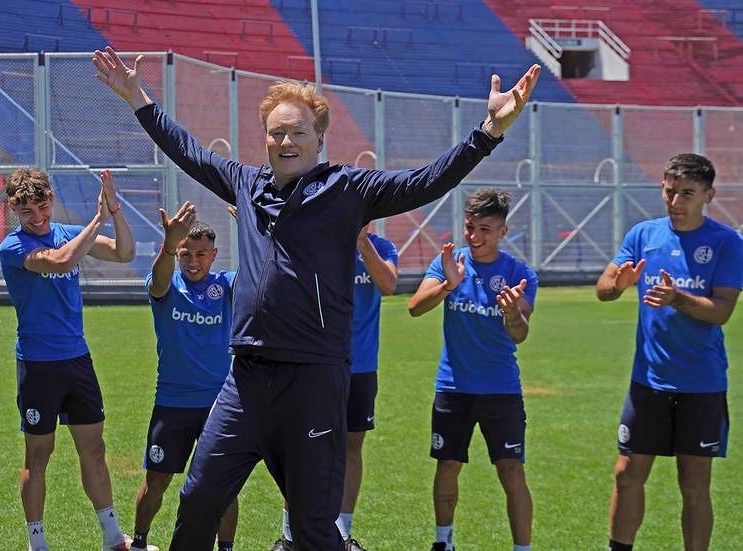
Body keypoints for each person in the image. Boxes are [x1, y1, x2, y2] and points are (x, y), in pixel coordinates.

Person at [94, 45, 540, 550]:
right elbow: (189, 151)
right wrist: (137, 98)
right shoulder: (244, 183)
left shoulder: (348, 188)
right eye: (277, 131)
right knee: (198, 500)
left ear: (320, 138)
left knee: (312, 526)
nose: (286, 140)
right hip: (245, 380)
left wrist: (488, 133)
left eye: (297, 131)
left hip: (314, 381)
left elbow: (425, 182)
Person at [596, 154, 742, 551]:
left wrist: (677, 298)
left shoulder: (727, 243)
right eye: (670, 191)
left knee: (693, 483)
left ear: (708, 195)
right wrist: (619, 285)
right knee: (627, 474)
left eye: (688, 194)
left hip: (700, 384)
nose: (676, 202)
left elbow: (723, 311)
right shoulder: (643, 234)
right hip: (648, 381)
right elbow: (604, 288)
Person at [0, 167, 137, 551]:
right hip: (38, 366)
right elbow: (58, 262)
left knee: (93, 449)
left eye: (43, 207)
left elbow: (125, 253)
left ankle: (113, 539)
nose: (38, 217)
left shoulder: (67, 234)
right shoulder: (13, 247)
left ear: (52, 200)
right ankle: (37, 544)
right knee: (39, 456)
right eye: (28, 212)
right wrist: (97, 221)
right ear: (14, 209)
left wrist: (115, 211)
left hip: (77, 361)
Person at [407, 188, 537, 551]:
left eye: (485, 230)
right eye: (470, 227)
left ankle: (521, 548)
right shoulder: (450, 262)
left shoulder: (519, 273)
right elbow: (416, 307)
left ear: (502, 232)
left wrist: (513, 314)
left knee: (511, 470)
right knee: (447, 465)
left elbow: (521, 333)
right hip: (453, 387)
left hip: (501, 390)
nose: (475, 237)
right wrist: (450, 285)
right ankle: (443, 542)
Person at [272, 226, 398, 551]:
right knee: (304, 449)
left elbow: (388, 285)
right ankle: (289, 535)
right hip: (318, 364)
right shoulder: (319, 242)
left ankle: (342, 534)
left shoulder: (382, 248)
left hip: (361, 367)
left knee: (351, 448)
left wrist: (360, 242)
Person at [131, 201, 238, 551]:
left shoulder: (225, 285)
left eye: (201, 254)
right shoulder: (168, 286)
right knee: (157, 480)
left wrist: (253, 230)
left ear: (214, 254)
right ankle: (141, 542)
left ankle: (225, 548)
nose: (193, 262)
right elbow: (158, 282)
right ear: (176, 253)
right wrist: (167, 244)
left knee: (222, 485)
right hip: (172, 404)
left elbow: (262, 271)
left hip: (218, 406)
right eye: (185, 254)